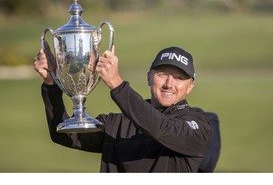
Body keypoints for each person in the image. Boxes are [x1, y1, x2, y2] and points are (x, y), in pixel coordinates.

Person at [34, 44, 220, 172]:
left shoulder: (198, 125)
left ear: (190, 86)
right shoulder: (116, 123)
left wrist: (116, 83)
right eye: (162, 74)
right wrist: (51, 84)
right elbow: (64, 134)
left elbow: (160, 128)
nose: (169, 84)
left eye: (179, 78)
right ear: (149, 77)